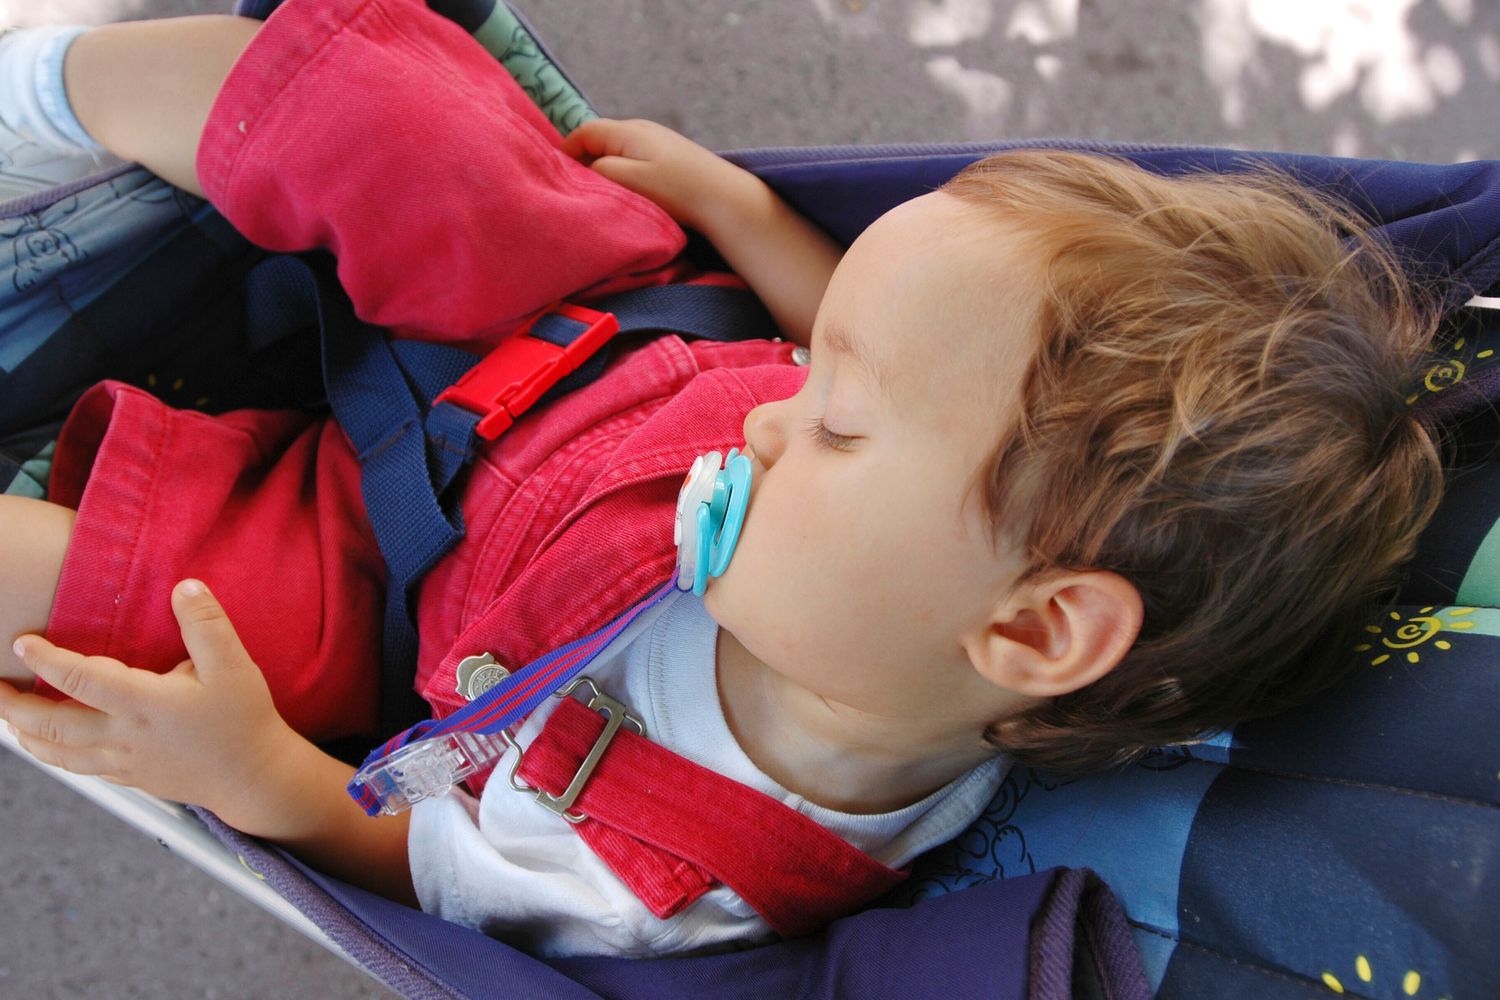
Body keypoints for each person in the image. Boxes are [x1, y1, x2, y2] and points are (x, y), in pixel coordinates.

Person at [0, 0, 1444, 958]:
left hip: (378, 585)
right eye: (814, 382)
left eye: (834, 428)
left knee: (110, 618)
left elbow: (428, 867)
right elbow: (867, 350)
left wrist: (261, 776)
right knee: (382, 105)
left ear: (1028, 631)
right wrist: (744, 212)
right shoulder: (935, 537)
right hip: (579, 322)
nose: (777, 418)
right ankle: (43, 100)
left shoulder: (687, 862)